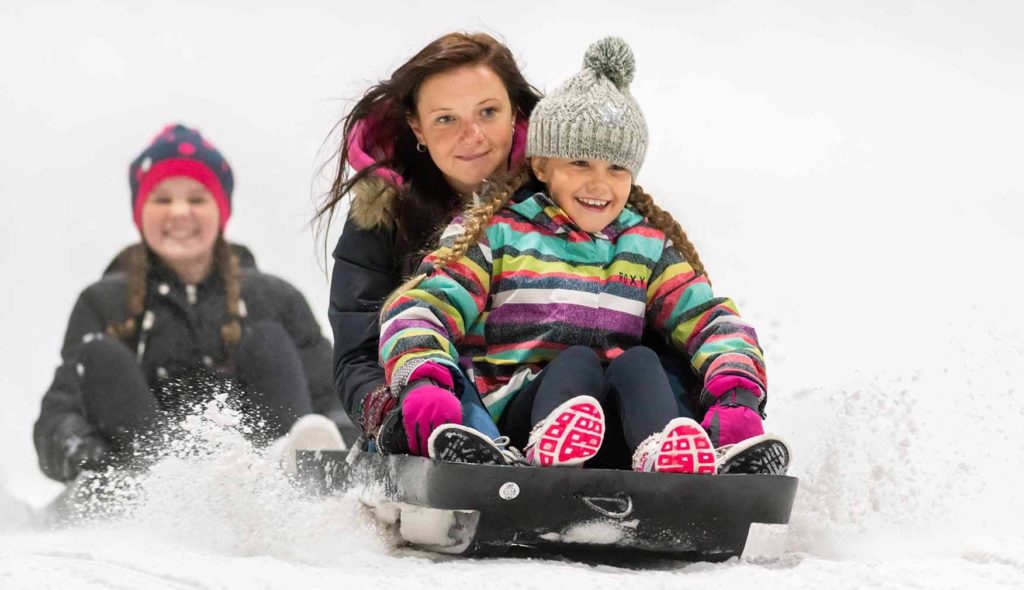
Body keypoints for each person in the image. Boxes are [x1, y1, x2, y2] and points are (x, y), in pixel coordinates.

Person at [378, 38, 789, 474]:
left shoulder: (645, 246)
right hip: (521, 418)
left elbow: (710, 320)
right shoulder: (499, 234)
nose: (599, 184)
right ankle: (549, 446)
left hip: (612, 428)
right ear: (542, 167)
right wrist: (423, 379)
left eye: (616, 169)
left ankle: (670, 456)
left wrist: (738, 392)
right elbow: (421, 307)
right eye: (579, 164)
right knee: (576, 359)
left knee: (641, 361)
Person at [34, 123, 345, 486]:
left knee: (269, 340)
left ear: (221, 211)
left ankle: (290, 471)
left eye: (197, 199)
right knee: (100, 355)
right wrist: (92, 461)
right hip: (149, 482)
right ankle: (164, 478)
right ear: (140, 212)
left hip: (258, 482)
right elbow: (58, 417)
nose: (180, 212)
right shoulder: (103, 303)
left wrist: (340, 444)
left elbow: (332, 400)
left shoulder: (275, 299)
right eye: (162, 199)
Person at [316, 32, 540, 458]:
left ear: (515, 113)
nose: (471, 135)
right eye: (445, 119)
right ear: (416, 126)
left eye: (487, 112)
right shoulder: (382, 215)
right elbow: (356, 353)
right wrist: (391, 415)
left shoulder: (569, 195)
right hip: (433, 406)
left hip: (554, 403)